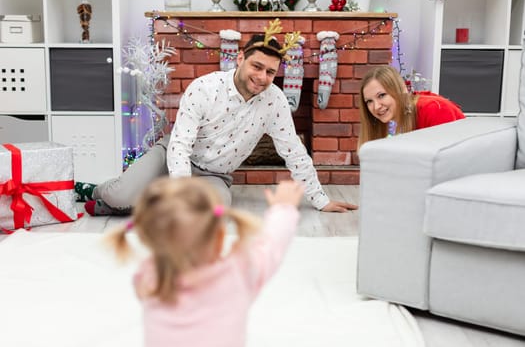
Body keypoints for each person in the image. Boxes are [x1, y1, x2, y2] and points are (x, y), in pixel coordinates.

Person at [82, 20, 357, 216]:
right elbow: (180, 145)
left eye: (270, 72)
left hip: (215, 175)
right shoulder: (204, 88)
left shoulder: (275, 101)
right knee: (118, 194)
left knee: (215, 210)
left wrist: (321, 200)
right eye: (256, 66)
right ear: (240, 58)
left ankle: (149, 197)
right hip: (174, 156)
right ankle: (97, 192)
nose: (262, 77)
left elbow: (294, 152)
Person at [105, 177, 304, 347]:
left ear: (149, 240)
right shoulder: (238, 273)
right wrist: (283, 208)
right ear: (220, 238)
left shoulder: (147, 279)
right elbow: (271, 245)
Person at [358, 65, 465, 148]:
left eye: (381, 95)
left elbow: (448, 162)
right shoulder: (396, 121)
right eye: (369, 101)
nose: (376, 107)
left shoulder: (435, 110)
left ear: (400, 90)